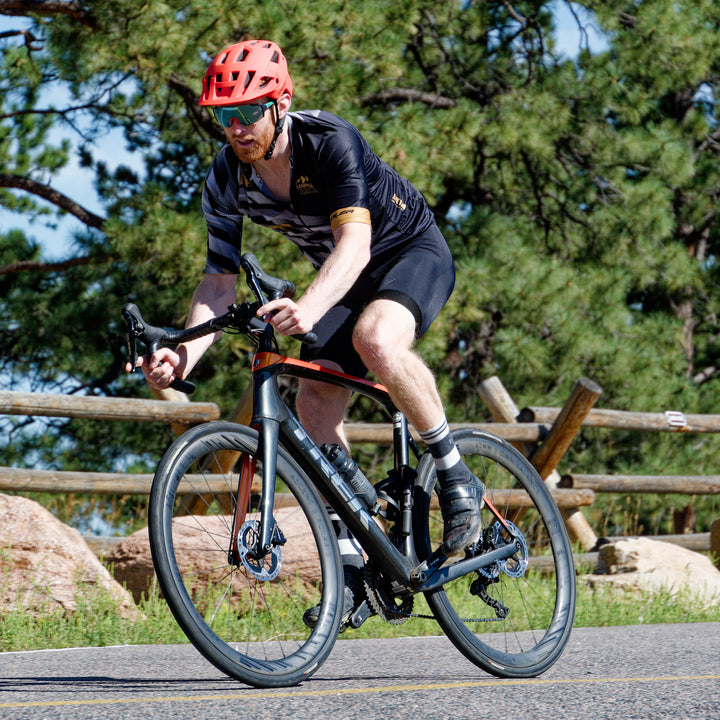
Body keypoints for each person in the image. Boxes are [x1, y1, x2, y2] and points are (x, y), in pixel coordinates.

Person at [131, 39, 485, 629]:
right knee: (313, 405)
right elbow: (218, 282)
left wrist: (310, 306)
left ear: (281, 103)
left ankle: (453, 471)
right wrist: (183, 356)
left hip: (405, 254)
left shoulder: (328, 141)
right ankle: (353, 568)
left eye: (249, 111)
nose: (236, 128)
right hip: (339, 278)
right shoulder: (226, 178)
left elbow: (356, 245)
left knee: (377, 338)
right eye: (224, 115)